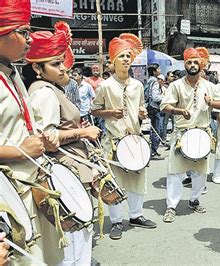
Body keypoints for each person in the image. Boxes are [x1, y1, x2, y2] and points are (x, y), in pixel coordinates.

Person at [24, 21, 101, 265]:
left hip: (69, 168)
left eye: (62, 62)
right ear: (37, 68)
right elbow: (48, 140)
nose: (62, 68)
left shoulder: (48, 88)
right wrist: (84, 132)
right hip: (64, 170)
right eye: (55, 64)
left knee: (78, 233)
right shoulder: (45, 93)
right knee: (74, 235)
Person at [0, 1, 63, 264]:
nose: (29, 40)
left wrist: (39, 136)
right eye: (23, 32)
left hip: (28, 185)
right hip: (7, 192)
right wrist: (22, 150)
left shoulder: (12, 74)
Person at [91, 33, 157, 240]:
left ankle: (136, 215)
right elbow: (94, 110)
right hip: (114, 140)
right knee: (115, 182)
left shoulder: (138, 85)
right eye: (122, 56)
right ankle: (117, 222)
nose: (126, 59)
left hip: (135, 138)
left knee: (138, 178)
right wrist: (110, 113)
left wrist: (142, 113)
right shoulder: (105, 86)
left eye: (129, 56)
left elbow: (141, 107)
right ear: (113, 61)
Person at [160, 47, 220, 223]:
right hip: (182, 134)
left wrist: (211, 102)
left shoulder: (209, 86)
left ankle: (194, 200)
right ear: (185, 64)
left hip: (203, 133)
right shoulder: (175, 85)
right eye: (189, 62)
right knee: (175, 172)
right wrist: (178, 110)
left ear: (201, 65)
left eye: (195, 62)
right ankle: (171, 206)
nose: (192, 65)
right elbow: (164, 106)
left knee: (200, 172)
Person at [145, 64, 165, 159]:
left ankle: (152, 150)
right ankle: (153, 151)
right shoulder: (155, 82)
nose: (160, 70)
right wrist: (165, 97)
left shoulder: (149, 80)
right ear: (154, 71)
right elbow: (155, 97)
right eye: (158, 69)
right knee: (156, 129)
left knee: (153, 129)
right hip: (154, 107)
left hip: (149, 106)